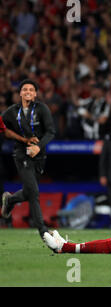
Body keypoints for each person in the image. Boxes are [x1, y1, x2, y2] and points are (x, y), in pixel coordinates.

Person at [1, 79, 55, 239]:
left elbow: (51, 131)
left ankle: (10, 200)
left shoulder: (42, 109)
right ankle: (43, 231)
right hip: (21, 154)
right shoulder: (11, 111)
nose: (28, 92)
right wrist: (21, 140)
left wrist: (38, 147)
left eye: (31, 89)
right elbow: (2, 127)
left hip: (39, 156)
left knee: (29, 191)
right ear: (20, 93)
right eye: (25, 89)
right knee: (34, 193)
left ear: (35, 94)